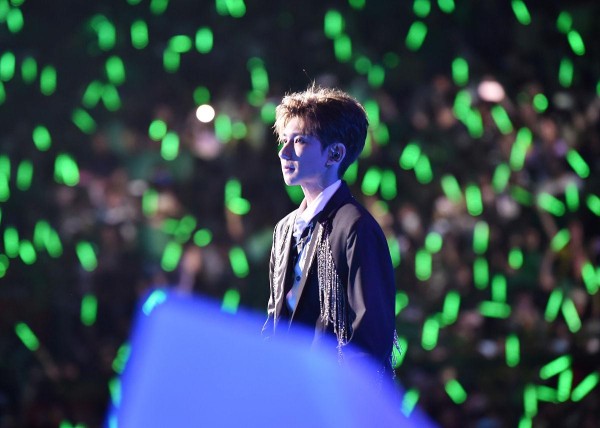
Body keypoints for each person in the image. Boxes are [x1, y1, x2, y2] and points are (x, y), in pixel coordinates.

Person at [263, 85, 398, 373]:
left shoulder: (356, 227)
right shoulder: (285, 228)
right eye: (284, 140)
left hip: (331, 388)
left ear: (335, 153)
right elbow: (276, 317)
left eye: (300, 141)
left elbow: (372, 332)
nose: (284, 152)